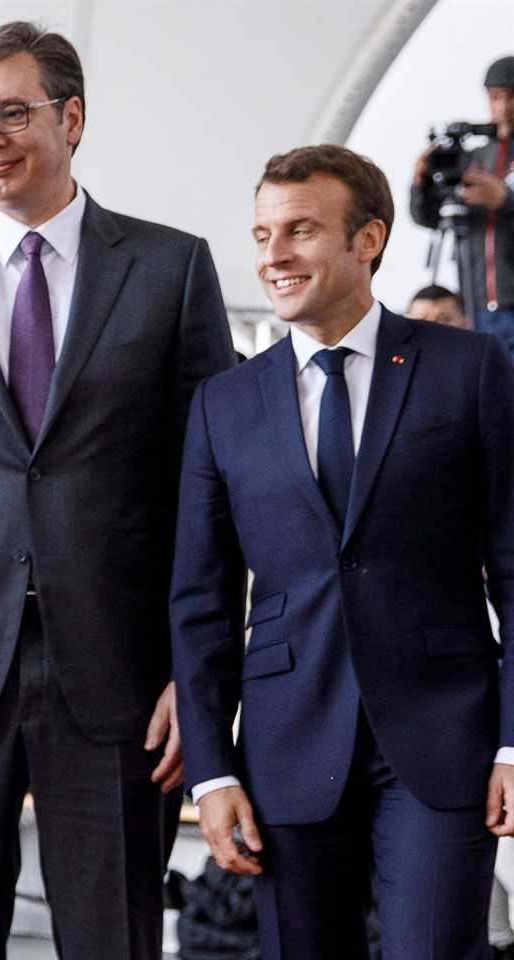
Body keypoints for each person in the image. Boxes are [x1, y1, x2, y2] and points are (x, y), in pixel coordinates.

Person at [0, 20, 235, 959]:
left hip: (119, 677)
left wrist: (198, 673)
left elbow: (209, 492)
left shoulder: (172, 269)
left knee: (115, 940)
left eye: (12, 112)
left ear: (71, 119)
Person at [171, 144, 514, 959]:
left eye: (300, 231)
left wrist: (513, 741)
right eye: (261, 236)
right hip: (287, 747)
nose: (274, 256)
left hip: (442, 739)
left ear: (368, 240)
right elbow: (200, 603)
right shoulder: (224, 403)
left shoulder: (468, 370)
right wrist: (212, 771)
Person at [410, 56, 514, 346]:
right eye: (496, 98)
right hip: (475, 304)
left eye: (511, 97)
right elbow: (429, 218)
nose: (504, 108)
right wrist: (420, 184)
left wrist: (505, 200)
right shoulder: (474, 158)